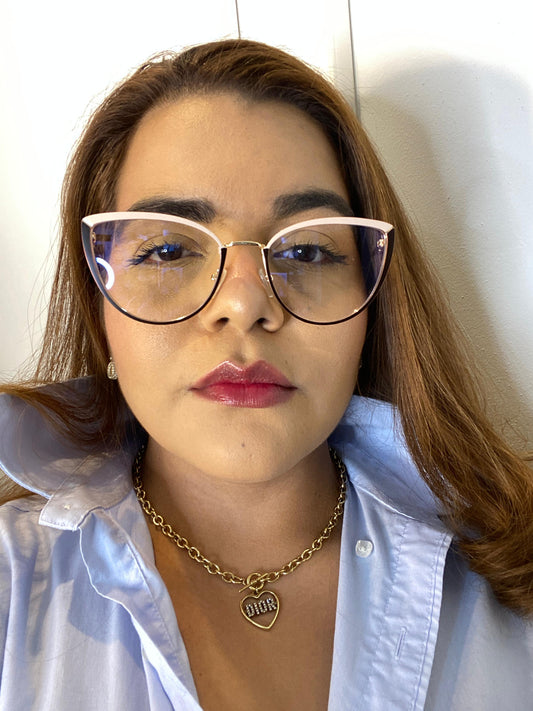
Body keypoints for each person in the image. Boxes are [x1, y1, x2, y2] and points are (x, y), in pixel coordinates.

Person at [0, 38, 531, 711]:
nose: (244, 303)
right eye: (168, 249)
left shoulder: (512, 582)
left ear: (373, 305)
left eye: (307, 251)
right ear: (98, 304)